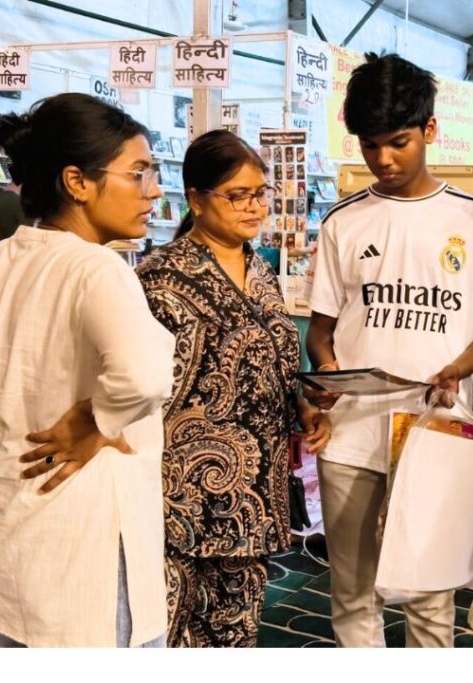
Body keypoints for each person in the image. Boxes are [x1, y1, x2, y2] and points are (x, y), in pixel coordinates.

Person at [0, 93, 174, 647]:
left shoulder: (6, 258)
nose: (152, 191)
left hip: (14, 531)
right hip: (89, 543)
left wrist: (6, 383)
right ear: (77, 181)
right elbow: (144, 376)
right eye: (138, 173)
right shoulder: (96, 268)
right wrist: (96, 421)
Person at [305, 53, 473, 648]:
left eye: (398, 142)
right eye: (369, 146)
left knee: (430, 596)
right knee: (353, 593)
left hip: (433, 432)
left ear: (430, 130)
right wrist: (328, 371)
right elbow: (320, 329)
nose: (383, 160)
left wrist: (459, 368)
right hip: (351, 435)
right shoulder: (344, 222)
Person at [135, 130, 332, 648]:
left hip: (254, 494)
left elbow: (275, 363)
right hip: (179, 495)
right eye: (237, 195)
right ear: (197, 199)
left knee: (235, 628)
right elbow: (130, 381)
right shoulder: (160, 278)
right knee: (166, 628)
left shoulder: (260, 270)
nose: (254, 207)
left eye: (260, 193)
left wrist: (302, 407)